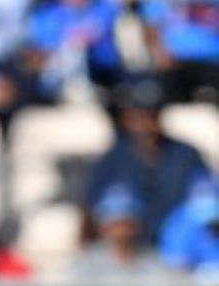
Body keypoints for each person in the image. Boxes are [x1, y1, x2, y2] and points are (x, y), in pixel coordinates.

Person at [86, 76, 211, 241]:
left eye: (151, 115)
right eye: (136, 116)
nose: (144, 123)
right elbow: (95, 209)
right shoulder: (113, 159)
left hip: (181, 252)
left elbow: (206, 202)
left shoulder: (186, 154)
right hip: (133, 255)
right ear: (125, 118)